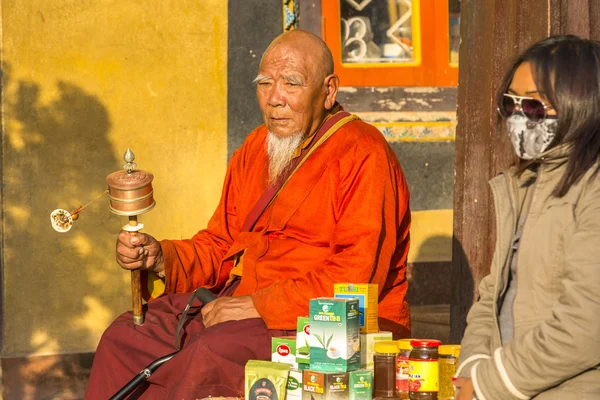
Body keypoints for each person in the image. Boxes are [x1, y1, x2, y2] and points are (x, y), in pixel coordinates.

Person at [85, 29, 411, 399]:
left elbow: (355, 274)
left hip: (320, 322)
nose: (275, 99)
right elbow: (222, 241)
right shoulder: (256, 147)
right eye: (265, 84)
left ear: (329, 90)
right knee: (127, 335)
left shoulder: (363, 153)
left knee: (212, 352)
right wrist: (161, 257)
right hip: (235, 303)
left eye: (291, 83)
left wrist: (257, 306)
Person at [454, 35, 600, 399]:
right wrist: (473, 369)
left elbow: (586, 322)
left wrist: (491, 383)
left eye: (534, 106)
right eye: (510, 104)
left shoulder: (593, 186)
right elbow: (492, 296)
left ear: (579, 103)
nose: (519, 118)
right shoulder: (525, 184)